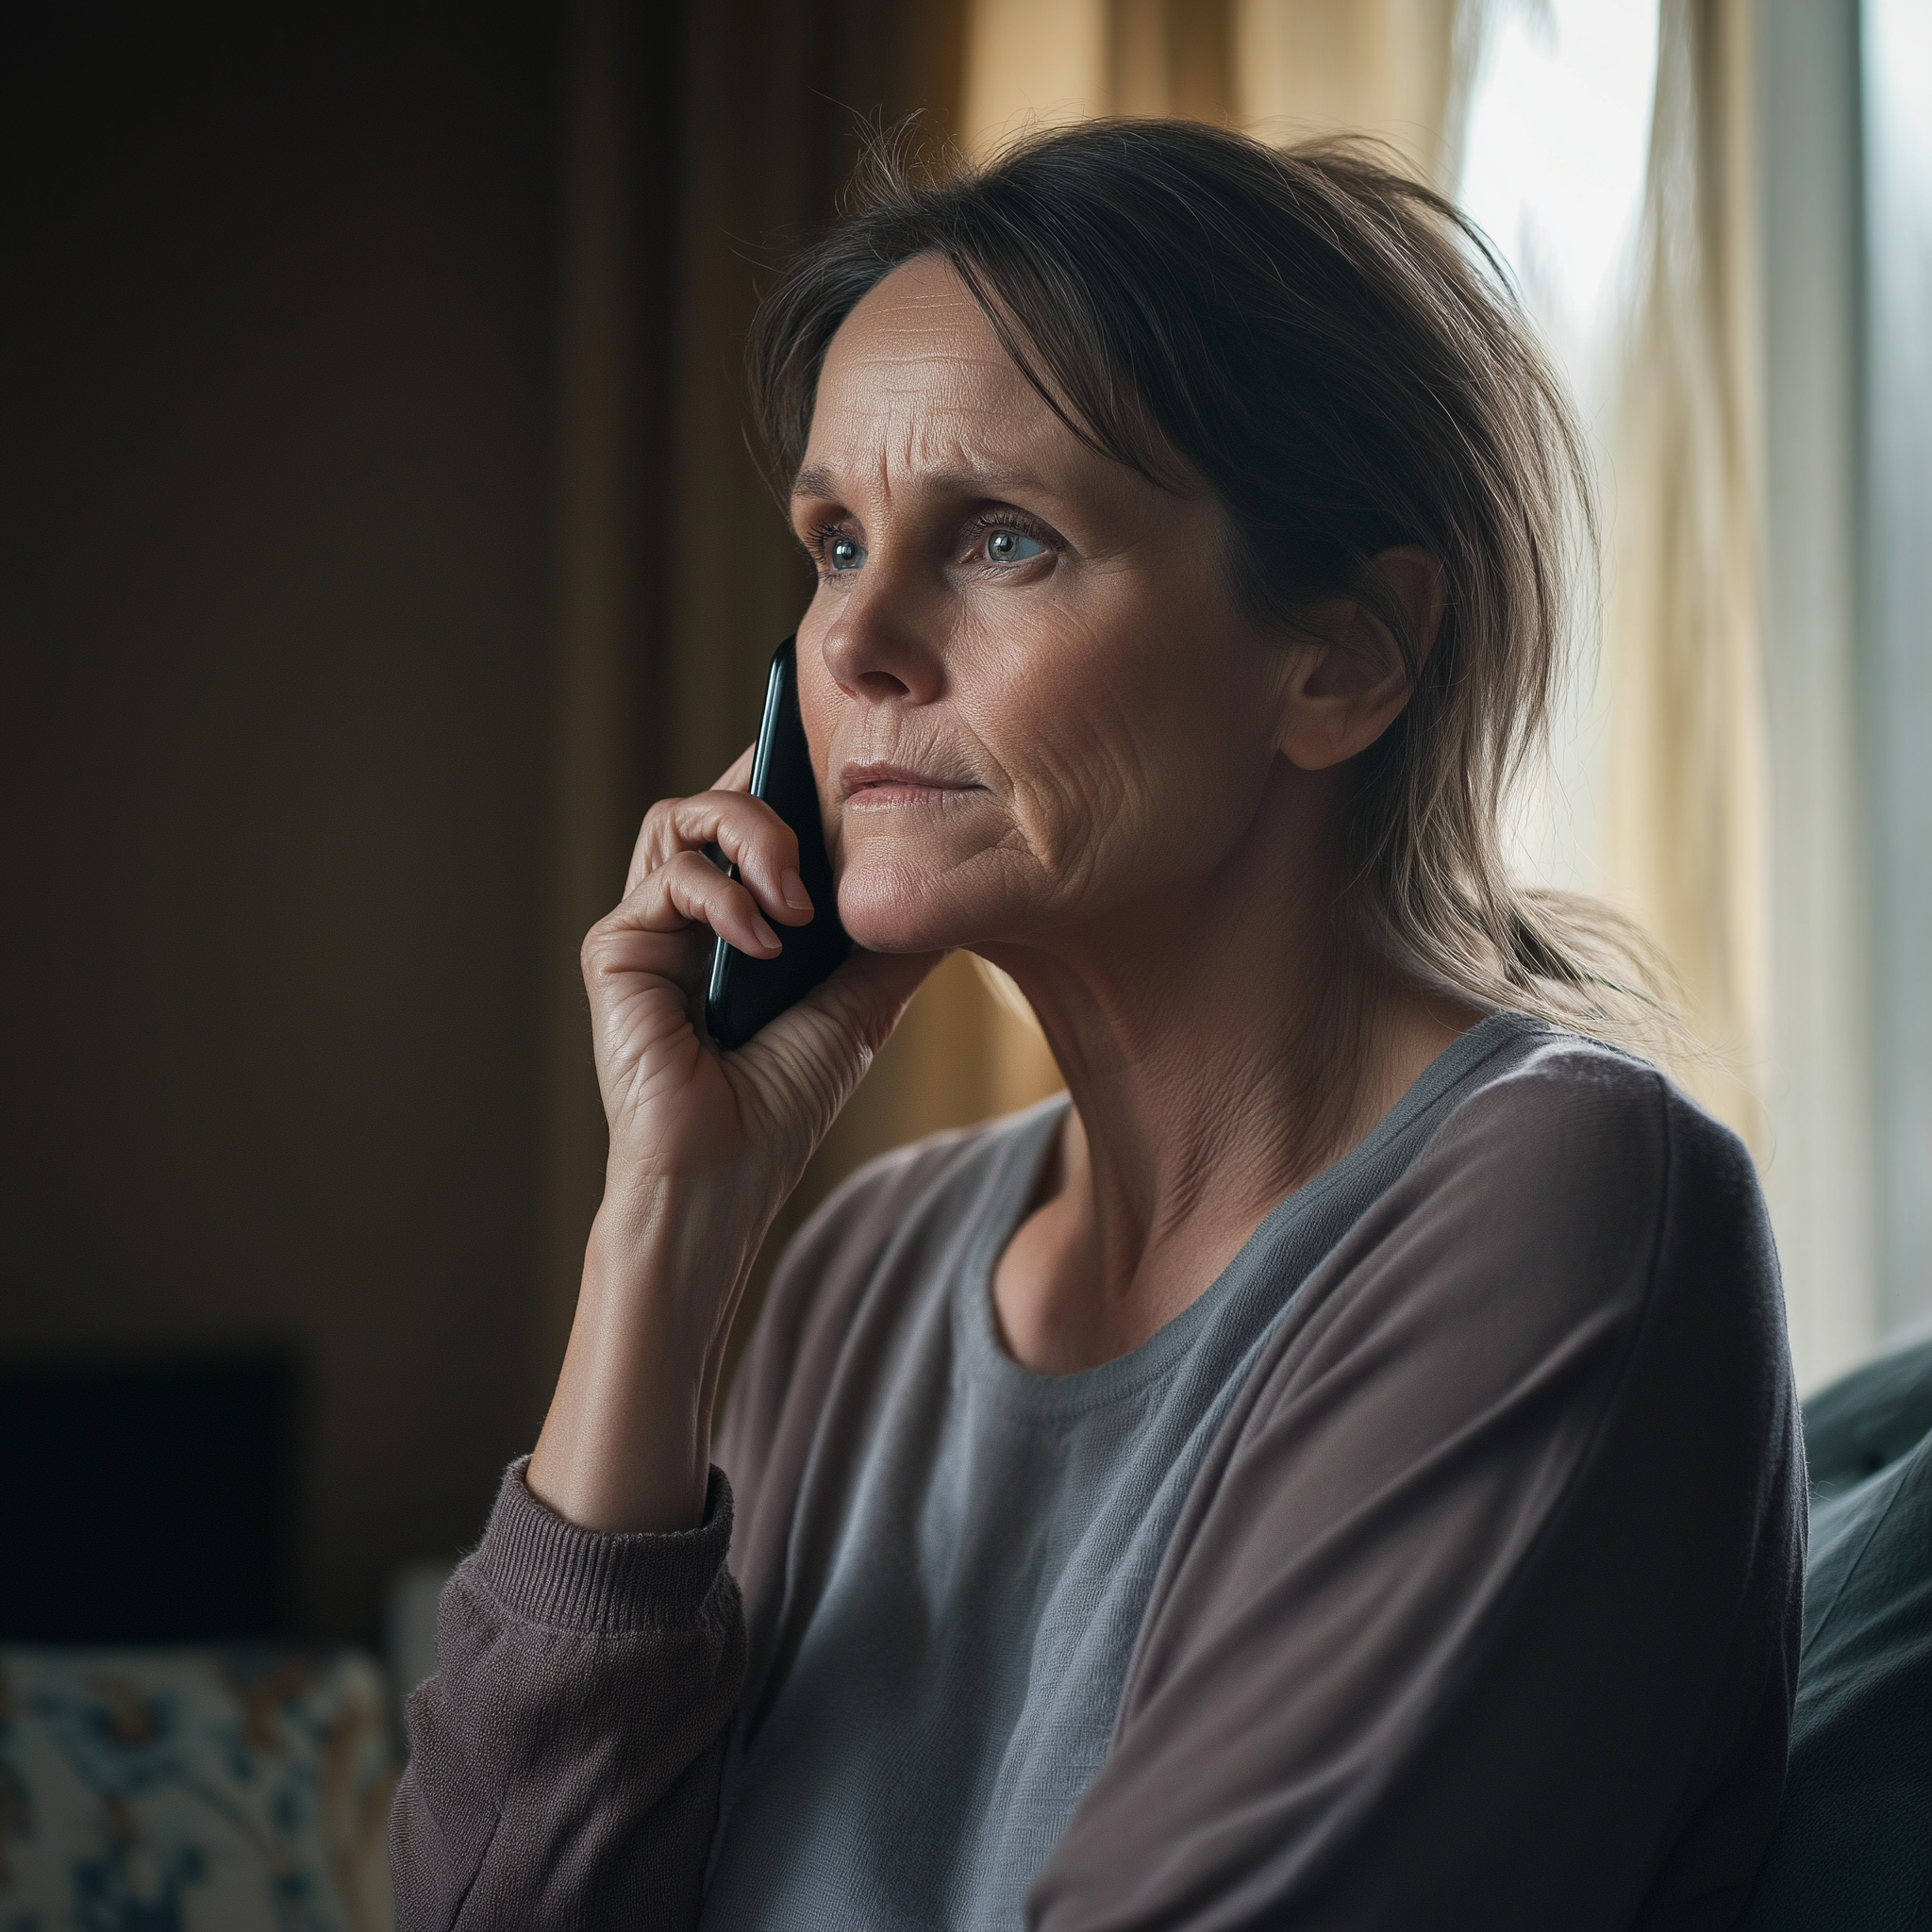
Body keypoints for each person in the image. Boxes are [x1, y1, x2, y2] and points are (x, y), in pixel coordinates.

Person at [391, 121, 1802, 1930]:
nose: (859, 647)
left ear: (1344, 657)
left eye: (1001, 538)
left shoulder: (1573, 1208)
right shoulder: (866, 1271)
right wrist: (669, 1222)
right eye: (832, 544)